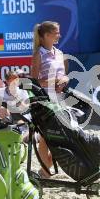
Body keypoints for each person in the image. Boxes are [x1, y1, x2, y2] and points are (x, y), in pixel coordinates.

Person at [31, 21, 69, 177]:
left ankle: (44, 170)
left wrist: (64, 81)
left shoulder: (60, 53)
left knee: (63, 137)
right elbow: (33, 82)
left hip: (60, 99)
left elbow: (65, 75)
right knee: (46, 138)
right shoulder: (38, 54)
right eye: (56, 32)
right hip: (45, 100)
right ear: (46, 35)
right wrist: (52, 82)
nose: (59, 35)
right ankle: (46, 171)